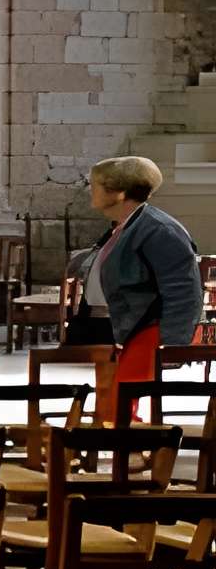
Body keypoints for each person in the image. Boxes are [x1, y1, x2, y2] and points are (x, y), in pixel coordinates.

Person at [83, 155, 201, 422]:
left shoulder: (159, 230)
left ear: (120, 192)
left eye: (96, 185)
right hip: (125, 326)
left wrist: (171, 344)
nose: (91, 190)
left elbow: (183, 289)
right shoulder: (126, 226)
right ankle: (118, 449)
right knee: (113, 400)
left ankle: (128, 452)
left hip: (149, 328)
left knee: (122, 399)